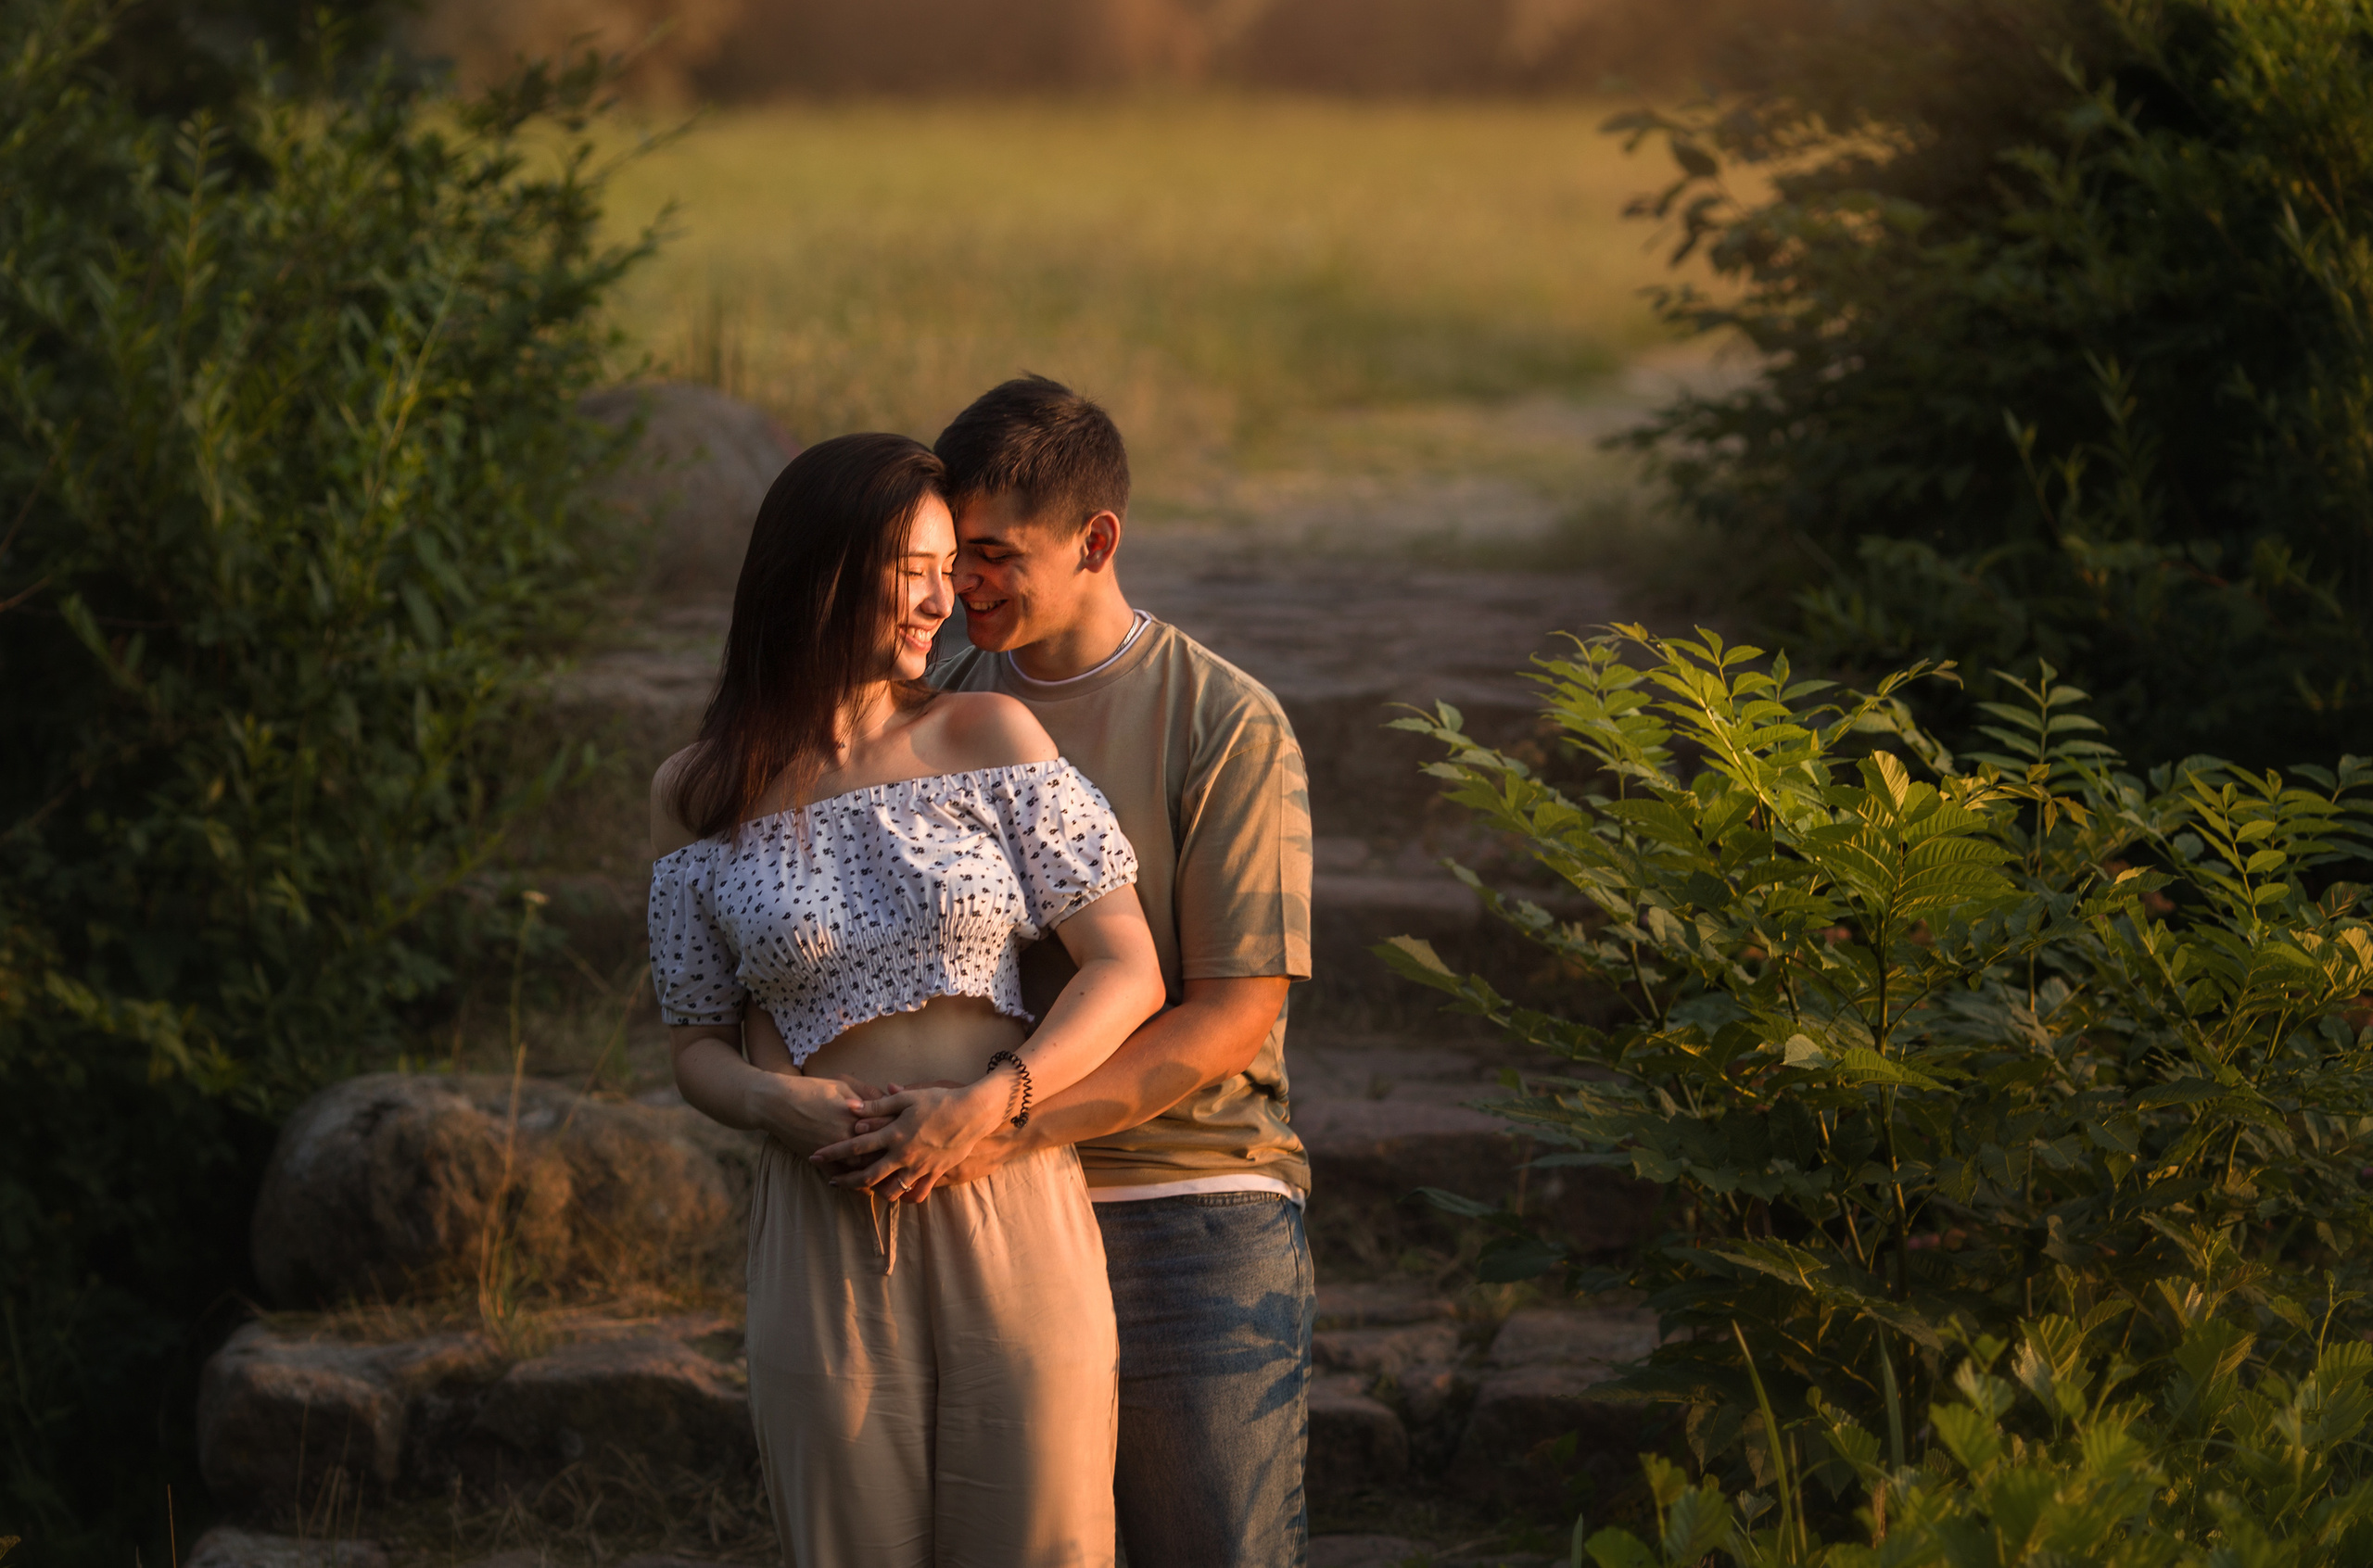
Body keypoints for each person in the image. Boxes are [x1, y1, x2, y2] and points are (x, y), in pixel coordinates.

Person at [646, 431, 1166, 1568]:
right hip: (822, 1219)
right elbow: (692, 1044)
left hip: (1009, 1191)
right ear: (818, 569)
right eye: (912, 569)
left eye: (952, 566)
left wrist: (997, 1103)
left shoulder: (987, 736)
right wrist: (773, 1107)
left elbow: (1128, 967)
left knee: (1041, 1545)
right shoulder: (701, 791)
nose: (943, 600)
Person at [820, 377, 1316, 1568]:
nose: (960, 588)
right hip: (971, 1207)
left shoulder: (1221, 721)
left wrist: (1007, 1122)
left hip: (1181, 1205)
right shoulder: (936, 712)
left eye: (992, 555)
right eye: (948, 557)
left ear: (1097, 541)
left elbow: (1235, 1012)